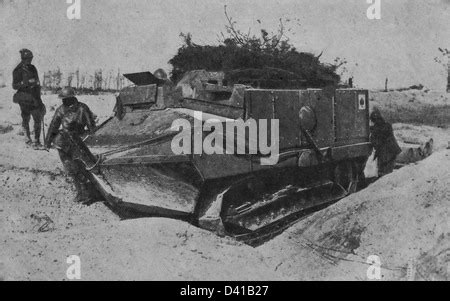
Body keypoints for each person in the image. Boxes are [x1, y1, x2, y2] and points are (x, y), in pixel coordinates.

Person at [45, 87, 98, 204]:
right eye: (63, 99)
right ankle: (81, 194)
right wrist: (47, 142)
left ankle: (88, 195)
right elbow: (53, 126)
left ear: (72, 98)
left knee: (81, 169)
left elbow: (91, 127)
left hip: (78, 142)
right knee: (71, 170)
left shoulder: (82, 108)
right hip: (63, 143)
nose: (64, 102)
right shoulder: (60, 110)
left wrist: (93, 140)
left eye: (66, 99)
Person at [12, 49, 46, 148]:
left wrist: (40, 100)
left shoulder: (33, 68)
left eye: (31, 59)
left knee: (37, 117)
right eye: (28, 59)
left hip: (34, 97)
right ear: (23, 59)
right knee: (26, 118)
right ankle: (27, 140)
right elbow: (14, 85)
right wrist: (24, 83)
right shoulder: (17, 70)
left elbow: (38, 84)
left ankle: (37, 141)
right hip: (24, 97)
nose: (30, 61)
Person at [370, 109, 402, 177]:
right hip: (392, 152)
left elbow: (376, 141)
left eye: (373, 121)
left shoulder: (377, 129)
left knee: (384, 174)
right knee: (388, 174)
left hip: (386, 154)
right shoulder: (387, 125)